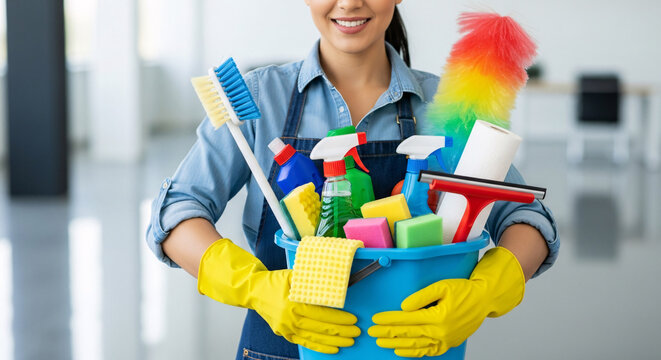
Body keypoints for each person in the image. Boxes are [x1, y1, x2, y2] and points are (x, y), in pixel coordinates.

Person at [146, 1, 560, 359]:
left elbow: (529, 219)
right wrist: (254, 287)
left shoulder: (447, 107)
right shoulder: (260, 100)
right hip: (282, 348)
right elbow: (177, 214)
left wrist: (486, 291)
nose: (349, 2)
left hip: (411, 350)